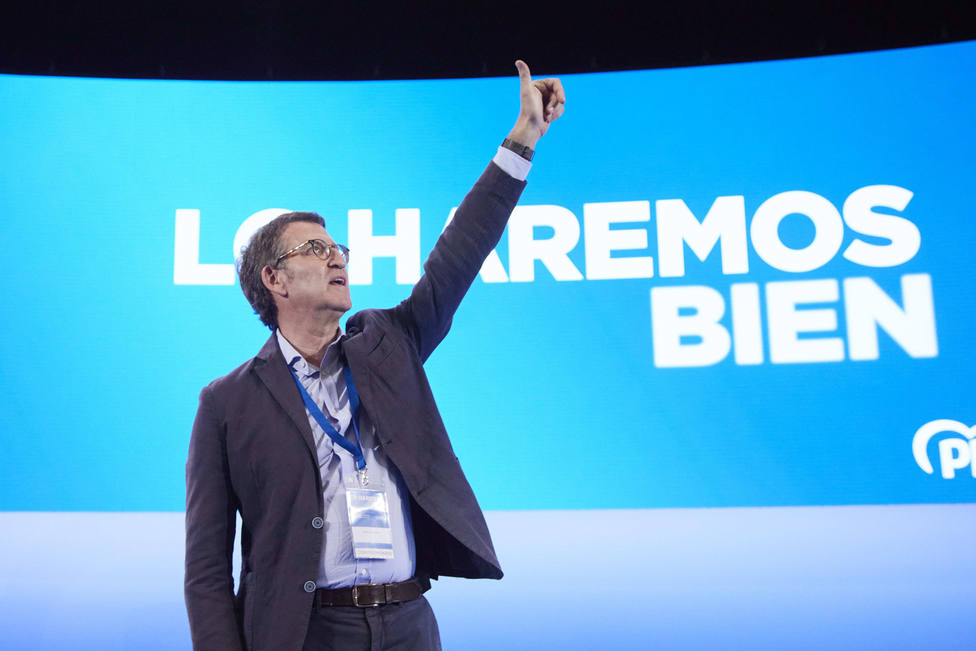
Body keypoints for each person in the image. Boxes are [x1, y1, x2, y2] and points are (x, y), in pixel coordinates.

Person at [184, 60, 565, 651]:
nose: (337, 257)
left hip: (408, 622)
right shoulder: (227, 403)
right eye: (315, 249)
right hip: (305, 634)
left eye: (338, 247)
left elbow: (460, 252)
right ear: (274, 280)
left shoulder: (391, 344)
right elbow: (207, 568)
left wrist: (522, 141)